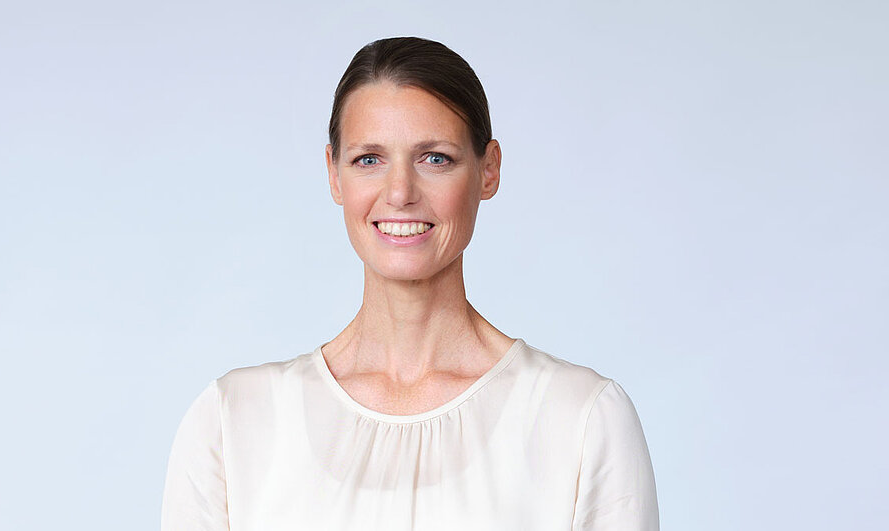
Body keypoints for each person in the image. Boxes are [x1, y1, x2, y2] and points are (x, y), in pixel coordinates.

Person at [160, 36, 659, 531]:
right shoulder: (233, 423)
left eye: (434, 158)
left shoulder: (580, 419)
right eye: (369, 159)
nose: (400, 193)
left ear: (489, 170)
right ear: (333, 173)